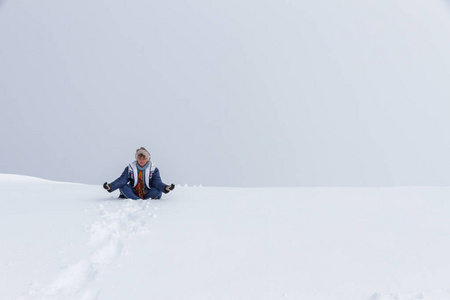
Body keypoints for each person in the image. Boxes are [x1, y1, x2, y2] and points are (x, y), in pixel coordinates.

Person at [103, 147, 174, 200]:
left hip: (148, 192)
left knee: (157, 190)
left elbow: (157, 182)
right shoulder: (130, 168)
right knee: (123, 187)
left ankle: (138, 199)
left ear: (147, 159)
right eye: (140, 158)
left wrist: (165, 187)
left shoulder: (153, 169)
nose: (141, 160)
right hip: (134, 191)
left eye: (144, 158)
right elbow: (122, 179)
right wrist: (110, 186)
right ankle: (137, 199)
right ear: (137, 159)